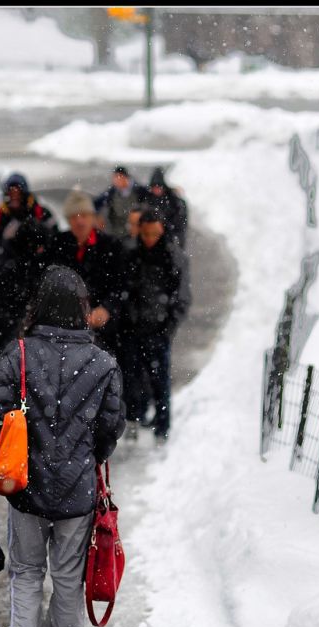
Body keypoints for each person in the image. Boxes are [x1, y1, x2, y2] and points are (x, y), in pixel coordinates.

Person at [0, 265, 126, 627]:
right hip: (77, 495)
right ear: (82, 310)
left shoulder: (19, 355)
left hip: (25, 489)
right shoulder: (104, 363)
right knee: (69, 579)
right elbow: (111, 428)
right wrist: (84, 459)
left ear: (40, 306)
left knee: (27, 575)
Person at [119, 208, 191, 442]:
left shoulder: (173, 256)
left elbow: (181, 297)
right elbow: (124, 289)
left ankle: (162, 427)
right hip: (134, 328)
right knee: (131, 378)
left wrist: (167, 327)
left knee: (159, 380)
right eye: (146, 233)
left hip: (158, 329)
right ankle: (134, 418)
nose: (149, 239)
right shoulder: (131, 253)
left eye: (154, 233)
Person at [0, 173, 57, 364]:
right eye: (10, 192)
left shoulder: (43, 215)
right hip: (6, 289)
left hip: (36, 284)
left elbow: (54, 247)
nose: (14, 196)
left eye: (18, 191)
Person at [49, 189, 126, 356]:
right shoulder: (58, 244)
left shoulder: (111, 246)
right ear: (68, 220)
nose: (80, 221)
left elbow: (121, 285)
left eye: (84, 215)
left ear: (92, 217)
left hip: (104, 332)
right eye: (74, 217)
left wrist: (106, 309)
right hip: (65, 330)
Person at [94, 165, 149, 240]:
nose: (115, 180)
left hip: (137, 232)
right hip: (118, 233)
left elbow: (148, 206)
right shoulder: (112, 192)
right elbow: (97, 203)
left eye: (117, 177)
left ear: (125, 177)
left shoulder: (140, 191)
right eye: (114, 178)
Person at [143, 167, 188, 249]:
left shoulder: (174, 201)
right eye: (154, 187)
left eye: (159, 187)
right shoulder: (148, 199)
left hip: (170, 240)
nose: (156, 190)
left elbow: (180, 224)